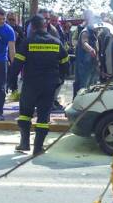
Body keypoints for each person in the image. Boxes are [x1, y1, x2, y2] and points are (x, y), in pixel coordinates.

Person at [9, 15, 69, 155]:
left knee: (25, 114)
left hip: (30, 84)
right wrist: (60, 78)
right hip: (49, 86)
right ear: (45, 26)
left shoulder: (27, 42)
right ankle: (38, 148)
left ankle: (24, 143)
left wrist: (12, 81)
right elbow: (65, 63)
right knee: (43, 117)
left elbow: (17, 64)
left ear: (33, 27)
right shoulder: (56, 42)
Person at [73, 9, 99, 97]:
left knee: (91, 85)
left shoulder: (94, 31)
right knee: (83, 87)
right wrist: (91, 49)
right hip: (84, 64)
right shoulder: (85, 30)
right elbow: (84, 43)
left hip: (92, 63)